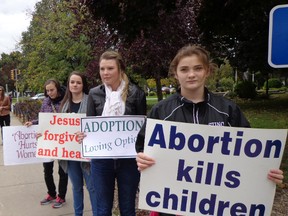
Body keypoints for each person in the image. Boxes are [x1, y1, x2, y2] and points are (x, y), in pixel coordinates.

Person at [135, 45, 284, 216]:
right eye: (184, 69)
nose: (191, 74)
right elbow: (142, 147)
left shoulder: (228, 110)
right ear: (176, 74)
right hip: (173, 204)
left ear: (207, 71)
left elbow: (250, 156)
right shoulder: (162, 111)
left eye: (198, 68)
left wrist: (266, 171)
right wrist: (142, 159)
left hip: (217, 204)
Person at [78, 50, 147, 216]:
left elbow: (143, 129)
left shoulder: (136, 93)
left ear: (120, 70)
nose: (105, 73)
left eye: (110, 68)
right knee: (102, 209)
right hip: (102, 160)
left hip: (128, 160)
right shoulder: (95, 93)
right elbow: (90, 124)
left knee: (128, 208)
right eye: (102, 69)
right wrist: (85, 135)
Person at [25, 79, 68, 208]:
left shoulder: (66, 101)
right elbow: (42, 119)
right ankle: (51, 193)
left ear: (58, 89)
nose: (49, 93)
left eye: (52, 90)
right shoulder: (46, 101)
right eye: (47, 90)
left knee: (62, 170)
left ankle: (61, 197)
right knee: (47, 169)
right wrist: (32, 122)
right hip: (48, 140)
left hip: (62, 140)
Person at [58, 71, 97, 216]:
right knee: (76, 187)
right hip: (71, 154)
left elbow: (96, 125)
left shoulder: (90, 101)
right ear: (68, 85)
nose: (75, 85)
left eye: (78, 82)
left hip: (87, 153)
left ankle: (97, 213)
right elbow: (56, 128)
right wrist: (44, 135)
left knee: (92, 187)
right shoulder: (64, 105)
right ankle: (78, 213)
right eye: (72, 82)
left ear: (83, 85)